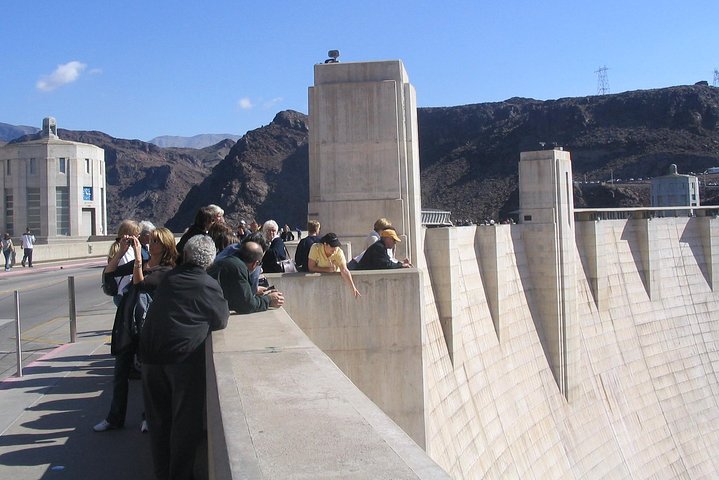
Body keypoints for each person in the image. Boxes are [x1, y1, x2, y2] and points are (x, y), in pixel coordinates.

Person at [140, 235, 229, 480]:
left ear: (186, 255)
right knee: (184, 424)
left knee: (158, 423)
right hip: (182, 360)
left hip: (149, 357)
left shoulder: (168, 278)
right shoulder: (207, 284)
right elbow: (221, 319)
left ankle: (162, 474)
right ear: (209, 261)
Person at [94, 227, 178, 434]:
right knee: (120, 372)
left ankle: (147, 417)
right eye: (151, 241)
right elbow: (110, 272)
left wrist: (139, 258)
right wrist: (122, 252)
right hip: (128, 322)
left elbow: (141, 283)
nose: (152, 244)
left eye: (156, 242)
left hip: (149, 327)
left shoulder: (168, 269)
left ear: (166, 245)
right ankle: (114, 418)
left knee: (148, 376)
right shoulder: (141, 263)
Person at [208, 240, 285, 314]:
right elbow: (247, 305)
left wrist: (252, 290)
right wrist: (269, 299)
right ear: (255, 263)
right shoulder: (238, 268)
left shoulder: (230, 262)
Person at [307, 233, 361, 298]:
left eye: (336, 246)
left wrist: (353, 288)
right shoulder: (315, 248)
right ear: (325, 244)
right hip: (319, 284)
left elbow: (344, 270)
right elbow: (311, 267)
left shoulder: (338, 252)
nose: (335, 249)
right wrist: (327, 270)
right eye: (332, 246)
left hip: (335, 284)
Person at [108, 220, 141, 305]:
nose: (138, 237)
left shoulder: (119, 248)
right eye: (136, 235)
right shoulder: (124, 250)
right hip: (125, 293)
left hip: (123, 292)